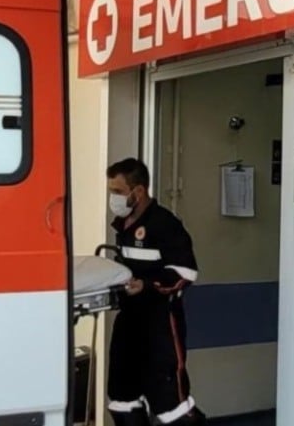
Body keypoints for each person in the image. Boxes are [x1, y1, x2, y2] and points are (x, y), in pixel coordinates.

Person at [105, 158, 206, 426]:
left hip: (160, 323)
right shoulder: (122, 225)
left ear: (138, 191)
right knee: (121, 398)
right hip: (129, 321)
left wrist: (148, 285)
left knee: (170, 404)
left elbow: (186, 273)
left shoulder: (165, 224)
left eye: (117, 191)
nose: (113, 198)